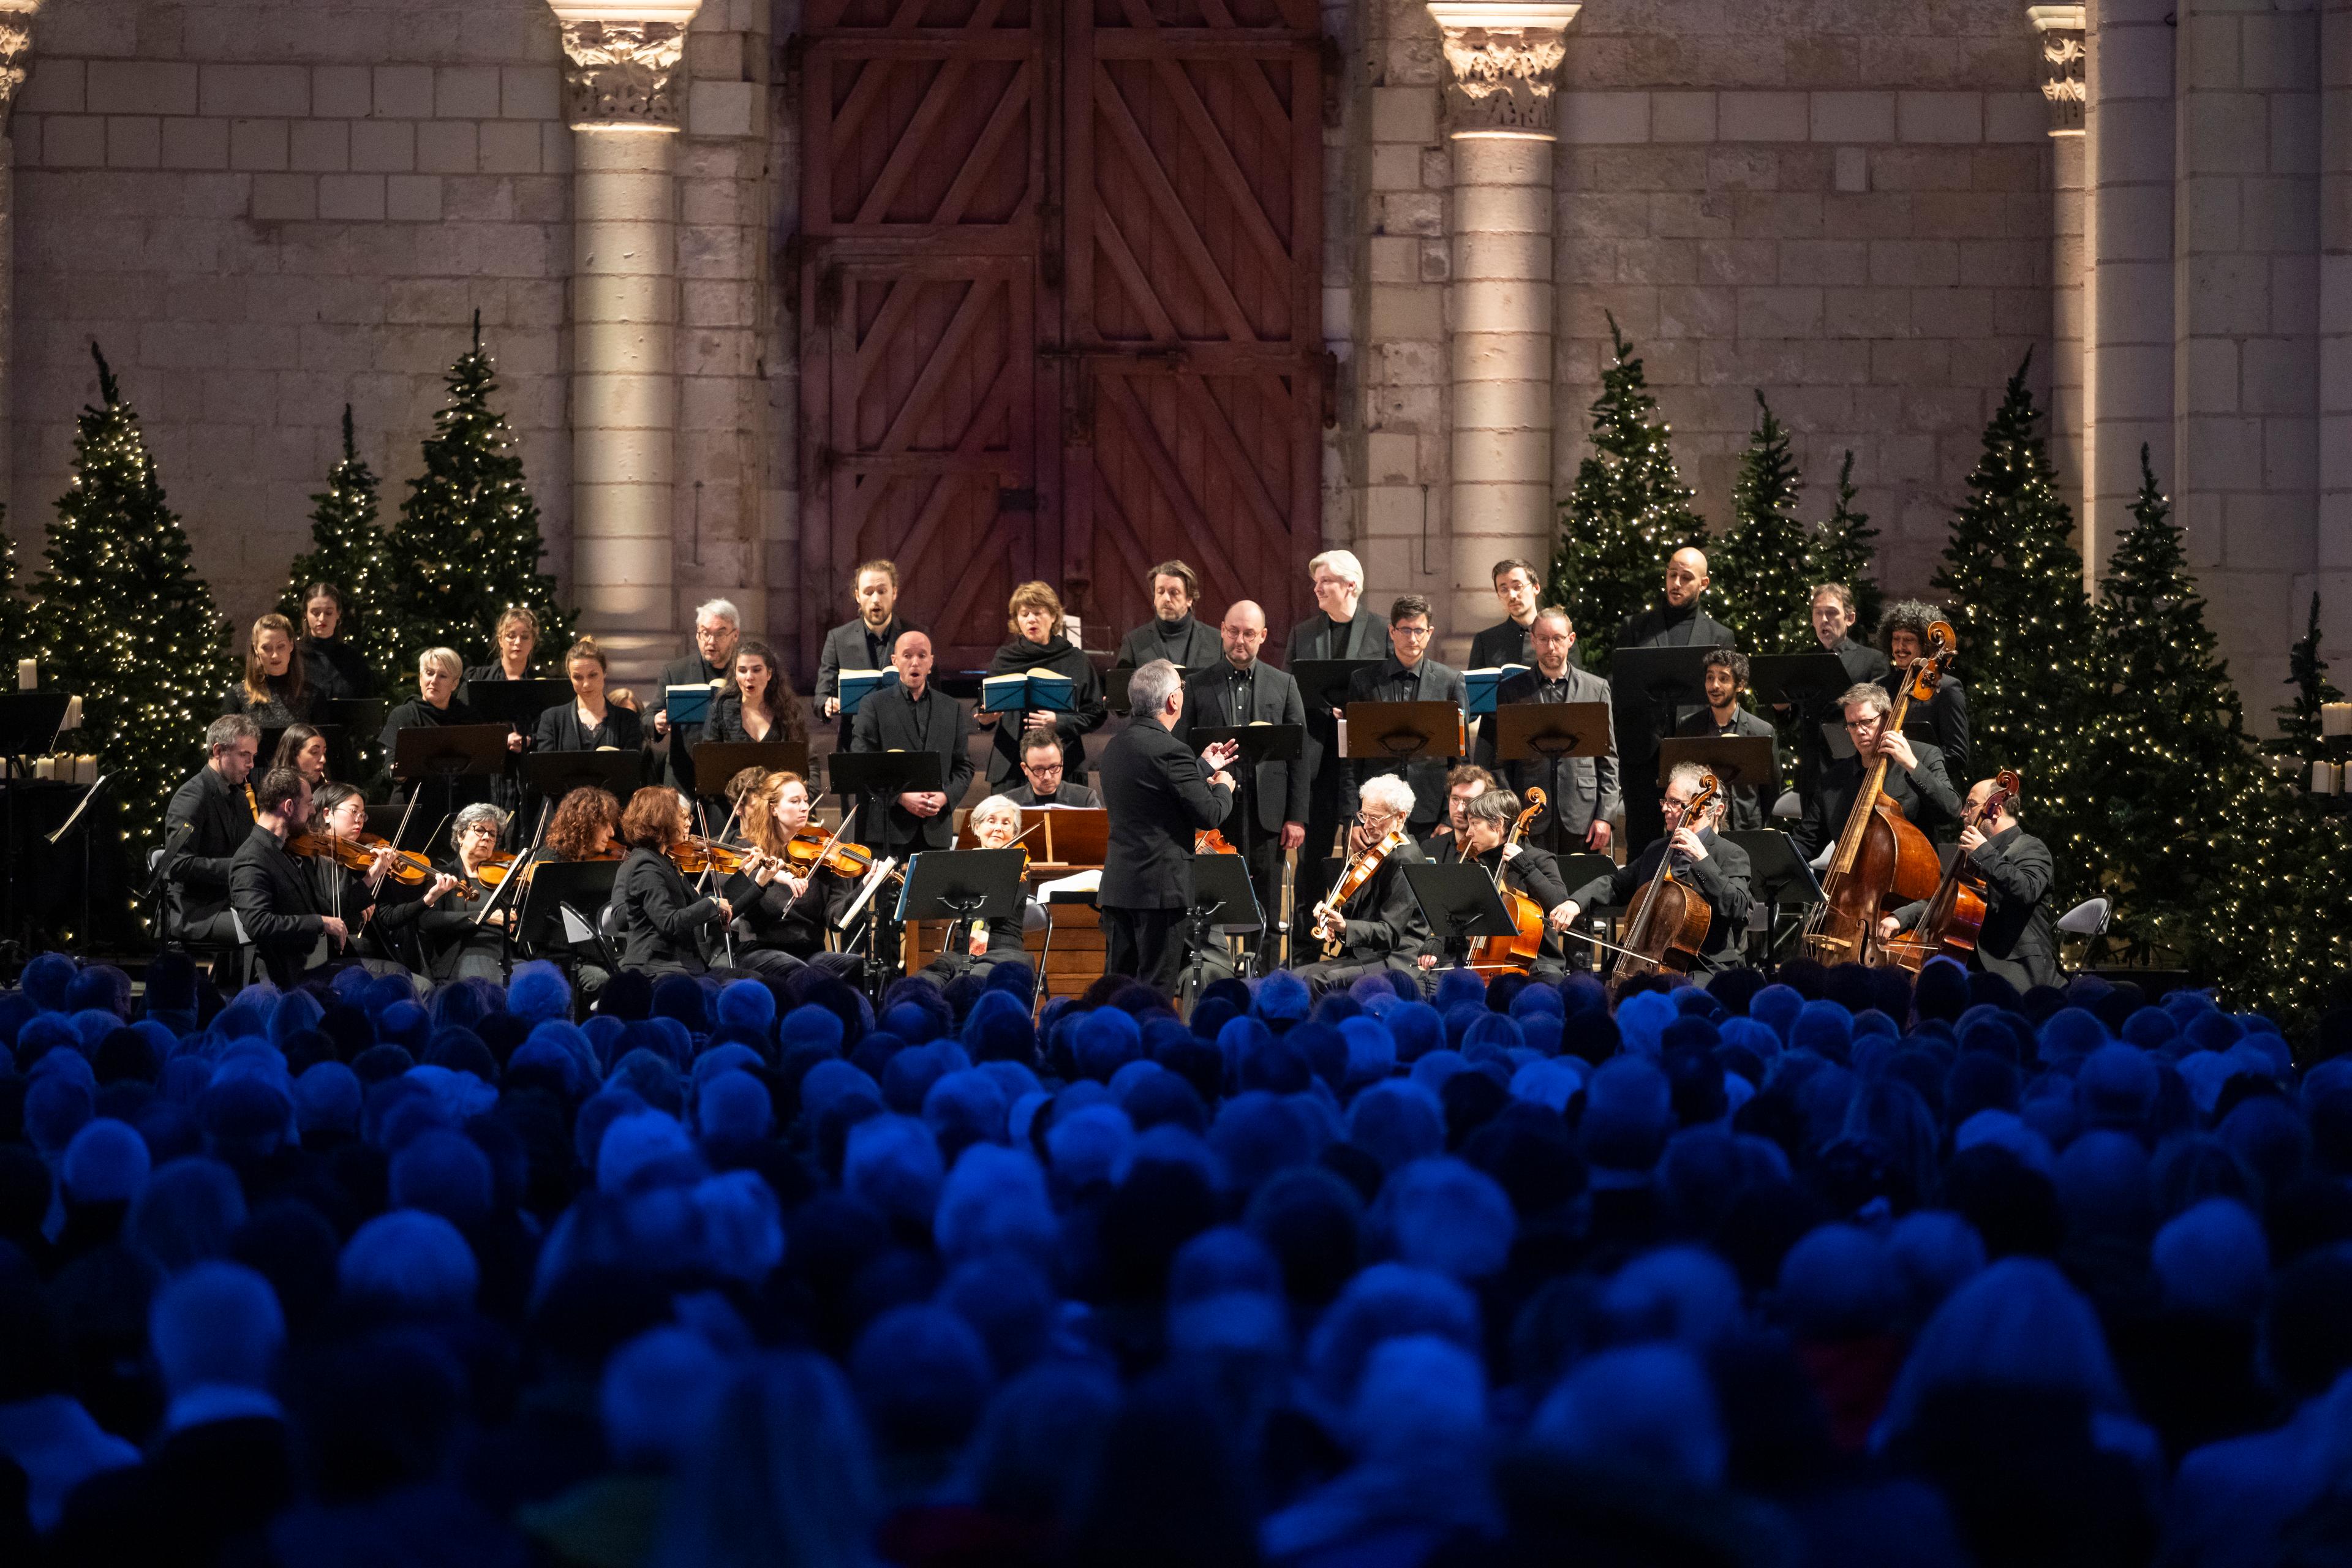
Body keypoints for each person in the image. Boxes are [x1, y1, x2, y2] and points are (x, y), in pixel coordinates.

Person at [1170, 600, 1309, 973]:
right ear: (1222, 630)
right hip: (1215, 809)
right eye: (1233, 631)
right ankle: (1213, 975)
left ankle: (1265, 981)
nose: (1240, 640)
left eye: (1249, 633)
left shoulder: (1284, 684)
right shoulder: (1196, 685)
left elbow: (1299, 756)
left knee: (1267, 902)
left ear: (1263, 636)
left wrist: (1296, 817)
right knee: (1213, 900)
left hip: (1269, 811)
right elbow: (1183, 750)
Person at [1097, 659, 1239, 993]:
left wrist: (1201, 766)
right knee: (1155, 989)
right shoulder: (1172, 751)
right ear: (1173, 700)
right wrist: (1224, 787)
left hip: (1120, 887)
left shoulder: (1115, 746)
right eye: (1182, 687)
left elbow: (1155, 788)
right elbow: (1209, 814)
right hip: (1160, 893)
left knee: (1118, 987)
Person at [1555, 761, 1752, 978]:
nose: (1665, 808)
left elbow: (1738, 909)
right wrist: (1575, 903)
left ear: (1701, 808)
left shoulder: (1730, 854)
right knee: (1586, 988)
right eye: (1665, 801)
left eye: (1674, 802)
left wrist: (1702, 859)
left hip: (1699, 966)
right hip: (1642, 961)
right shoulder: (1657, 850)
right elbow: (1616, 884)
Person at [1879, 775, 2059, 991]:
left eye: (1971, 805)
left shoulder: (2030, 848)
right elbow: (1945, 902)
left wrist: (1984, 852)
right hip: (1970, 970)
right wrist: (1901, 918)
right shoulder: (1973, 856)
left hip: (2016, 974)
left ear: (1996, 811)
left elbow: (2026, 890)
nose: (1964, 813)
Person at [1284, 548, 1389, 915]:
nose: (1317, 588)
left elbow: (1391, 687)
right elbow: (1289, 693)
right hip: (1319, 757)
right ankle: (1306, 937)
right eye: (1316, 582)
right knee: (1313, 856)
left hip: (1365, 758)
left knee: (1365, 853)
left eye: (1325, 581)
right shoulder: (1303, 633)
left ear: (1351, 585)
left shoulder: (1382, 630)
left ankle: (1360, 932)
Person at [1614, 546, 1735, 856]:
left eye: (1686, 577)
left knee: (1691, 840)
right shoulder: (1635, 628)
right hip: (1642, 755)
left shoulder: (1719, 635)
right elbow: (1621, 690)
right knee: (1641, 844)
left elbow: (1721, 696)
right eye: (1672, 575)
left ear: (1704, 584)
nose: (1676, 583)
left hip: (1692, 752)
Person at [1474, 608, 1619, 856]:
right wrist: (1511, 813)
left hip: (1582, 813)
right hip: (1528, 811)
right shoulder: (1511, 690)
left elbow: (1608, 759)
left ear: (1571, 640)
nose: (1551, 647)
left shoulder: (1596, 688)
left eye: (1558, 639)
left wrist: (1605, 816)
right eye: (1543, 639)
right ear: (1533, 640)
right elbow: (1502, 760)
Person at [1343, 595, 1469, 838]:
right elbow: (1351, 757)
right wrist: (1353, 817)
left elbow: (1461, 757)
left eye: (1419, 630)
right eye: (1405, 630)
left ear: (1430, 633)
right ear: (1392, 631)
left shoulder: (1450, 681)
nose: (1412, 638)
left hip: (1431, 809)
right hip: (1377, 812)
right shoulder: (1363, 681)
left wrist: (1450, 818)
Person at [1293, 773, 1428, 997]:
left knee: (1316, 981)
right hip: (1369, 953)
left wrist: (1346, 927)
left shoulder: (1406, 858)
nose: (1366, 825)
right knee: (1295, 978)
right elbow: (1360, 910)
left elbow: (1390, 933)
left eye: (1375, 818)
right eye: (1364, 815)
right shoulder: (1378, 851)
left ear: (1401, 817)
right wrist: (1332, 918)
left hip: (1397, 958)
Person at [1415, 786, 1572, 978]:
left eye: (1474, 824)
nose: (1468, 833)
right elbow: (1453, 909)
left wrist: (1528, 870)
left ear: (1498, 823)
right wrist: (1436, 939)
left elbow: (1560, 906)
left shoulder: (1539, 860)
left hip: (1535, 964)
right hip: (1480, 960)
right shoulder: (1474, 862)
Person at [1793, 682, 1963, 859]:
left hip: (1913, 871)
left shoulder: (1923, 755)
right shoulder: (1834, 780)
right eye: (1852, 725)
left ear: (1888, 718)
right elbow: (1807, 841)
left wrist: (1912, 765)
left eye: (1867, 722)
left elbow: (1951, 810)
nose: (1860, 731)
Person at [304, 780, 461, 968]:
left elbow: (389, 918)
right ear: (327, 814)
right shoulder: (309, 859)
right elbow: (328, 909)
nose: (360, 820)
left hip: (369, 951)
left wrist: (429, 898)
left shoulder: (363, 861)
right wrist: (368, 882)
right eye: (354, 811)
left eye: (363, 814)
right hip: (330, 954)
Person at [729, 771, 865, 984]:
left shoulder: (823, 855)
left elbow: (836, 920)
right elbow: (733, 904)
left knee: (857, 965)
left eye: (805, 800)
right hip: (760, 951)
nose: (804, 807)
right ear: (773, 809)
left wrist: (863, 889)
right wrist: (765, 878)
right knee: (800, 971)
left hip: (811, 952)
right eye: (795, 801)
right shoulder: (750, 851)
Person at [850, 630, 974, 859]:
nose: (915, 662)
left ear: (931, 662)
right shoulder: (874, 705)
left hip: (935, 831)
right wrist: (900, 797)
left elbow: (963, 766)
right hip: (889, 829)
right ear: (895, 661)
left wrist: (945, 796)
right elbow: (862, 762)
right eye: (907, 656)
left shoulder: (951, 708)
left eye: (922, 656)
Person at [979, 581, 1106, 790]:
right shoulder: (1004, 659)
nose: (1031, 619)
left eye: (1038, 613)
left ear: (1054, 616)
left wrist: (1060, 722)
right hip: (1011, 765)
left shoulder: (1075, 659)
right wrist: (985, 719)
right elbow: (982, 707)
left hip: (1063, 765)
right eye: (1024, 614)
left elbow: (1096, 713)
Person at [228, 767, 350, 987]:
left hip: (312, 964)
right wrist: (320, 923)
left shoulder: (287, 849)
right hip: (287, 978)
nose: (313, 811)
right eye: (309, 803)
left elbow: (320, 905)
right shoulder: (251, 859)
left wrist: (367, 884)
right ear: (289, 807)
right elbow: (259, 924)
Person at [1782, 582, 1891, 809]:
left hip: (1853, 768)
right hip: (1812, 770)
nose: (1824, 620)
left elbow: (1881, 716)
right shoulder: (1803, 660)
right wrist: (1781, 703)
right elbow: (1788, 721)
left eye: (1831, 613)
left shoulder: (1872, 660)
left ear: (1850, 618)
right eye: (1818, 613)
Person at [611, 786, 736, 976]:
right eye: (681, 817)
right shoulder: (645, 865)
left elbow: (703, 910)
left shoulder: (665, 863)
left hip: (682, 964)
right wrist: (712, 904)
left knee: (753, 979)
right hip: (659, 966)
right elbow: (670, 923)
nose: (687, 823)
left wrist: (751, 881)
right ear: (661, 821)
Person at [916, 794, 1037, 989]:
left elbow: (996, 906)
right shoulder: (964, 863)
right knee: (921, 983)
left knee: (968, 984)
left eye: (1006, 823)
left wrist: (988, 865)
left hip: (1003, 953)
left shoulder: (1020, 865)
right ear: (977, 827)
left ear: (1015, 832)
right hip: (960, 953)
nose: (999, 828)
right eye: (991, 821)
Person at [163, 715, 260, 946]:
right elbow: (177, 864)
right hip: (198, 911)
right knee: (265, 931)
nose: (251, 764)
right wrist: (238, 868)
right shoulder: (192, 796)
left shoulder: (239, 797)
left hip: (231, 902)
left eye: (253, 756)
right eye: (244, 755)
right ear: (218, 751)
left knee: (289, 922)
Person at [380, 647, 513, 810]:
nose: (434, 681)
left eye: (442, 676)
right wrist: (399, 773)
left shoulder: (469, 717)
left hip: (462, 809)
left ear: (455, 684)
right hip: (414, 807)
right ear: (421, 678)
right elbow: (389, 767)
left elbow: (481, 771)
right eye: (429, 673)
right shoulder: (404, 715)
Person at [815, 559, 916, 747]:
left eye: (882, 591)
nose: (876, 599)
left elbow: (934, 693)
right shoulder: (838, 638)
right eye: (868, 592)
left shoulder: (916, 636)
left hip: (904, 741)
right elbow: (822, 695)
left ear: (894, 593)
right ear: (858, 596)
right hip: (856, 742)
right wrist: (827, 704)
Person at [413, 804, 518, 984]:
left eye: (493, 834)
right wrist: (483, 917)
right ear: (461, 836)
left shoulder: (502, 877)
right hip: (466, 955)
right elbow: (428, 919)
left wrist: (513, 917)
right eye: (480, 830)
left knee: (541, 976)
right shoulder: (444, 874)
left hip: (504, 955)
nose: (487, 837)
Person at [1673, 648, 1776, 832]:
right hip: (1699, 825)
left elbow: (1771, 788)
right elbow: (1679, 777)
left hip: (1745, 827)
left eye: (1724, 679)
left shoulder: (1761, 731)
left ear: (1740, 685)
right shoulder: (1688, 726)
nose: (1715, 686)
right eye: (1710, 677)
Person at [650, 599, 745, 795]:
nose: (711, 641)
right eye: (705, 633)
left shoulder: (746, 672)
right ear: (697, 634)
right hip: (683, 777)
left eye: (720, 633)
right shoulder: (675, 672)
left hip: (733, 776)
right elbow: (648, 716)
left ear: (735, 635)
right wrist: (657, 722)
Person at [1880, 599, 1970, 785]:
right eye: (1896, 639)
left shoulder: (1947, 688)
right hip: (1885, 783)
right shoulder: (1881, 686)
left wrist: (1915, 767)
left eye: (1908, 640)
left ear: (1926, 645)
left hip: (1925, 786)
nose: (1900, 647)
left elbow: (1957, 755)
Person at [533, 637, 647, 755]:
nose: (586, 684)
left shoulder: (628, 720)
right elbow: (546, 765)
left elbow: (631, 764)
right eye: (578, 677)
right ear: (570, 678)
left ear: (604, 673)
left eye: (593, 675)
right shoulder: (552, 719)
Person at [1113, 559, 1221, 676]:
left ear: (1189, 599)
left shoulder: (1216, 641)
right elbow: (1120, 686)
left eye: (1174, 593)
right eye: (1160, 592)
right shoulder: (1134, 642)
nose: (1166, 599)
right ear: (1155, 598)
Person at [701, 638, 808, 752]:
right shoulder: (719, 710)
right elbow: (708, 757)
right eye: (742, 671)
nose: (749, 677)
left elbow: (806, 756)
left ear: (769, 674)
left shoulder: (788, 710)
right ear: (736, 675)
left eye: (757, 670)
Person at [221, 613, 314, 725]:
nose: (275, 655)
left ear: (291, 645)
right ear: (256, 649)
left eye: (281, 646)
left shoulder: (312, 696)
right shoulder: (236, 696)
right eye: (266, 648)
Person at [293, 581, 374, 703]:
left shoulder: (354, 660)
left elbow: (367, 706)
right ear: (306, 615)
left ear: (338, 614)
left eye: (329, 613)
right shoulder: (294, 657)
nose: (322, 619)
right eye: (315, 613)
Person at [1466, 557, 1545, 673]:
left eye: (1518, 587)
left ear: (1536, 588)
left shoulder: (1557, 636)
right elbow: (1475, 683)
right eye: (1504, 590)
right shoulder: (1486, 641)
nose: (1512, 596)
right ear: (1499, 596)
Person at [1419, 764, 1494, 863]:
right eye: (1455, 799)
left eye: (1468, 801)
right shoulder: (1429, 848)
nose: (1460, 809)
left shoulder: (1491, 853)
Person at [1005, 731, 1101, 808]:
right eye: (1039, 769)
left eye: (1053, 767)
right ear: (1025, 768)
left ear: (1062, 762)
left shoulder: (1085, 799)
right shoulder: (1006, 803)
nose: (1047, 777)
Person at [464, 606, 540, 687]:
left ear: (533, 642)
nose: (518, 642)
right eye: (511, 636)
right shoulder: (477, 678)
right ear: (500, 640)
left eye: (525, 637)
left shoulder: (543, 683)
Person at [269, 723, 329, 791]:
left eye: (324, 752)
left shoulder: (323, 789)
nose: (323, 760)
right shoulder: (278, 794)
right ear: (293, 755)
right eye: (314, 752)